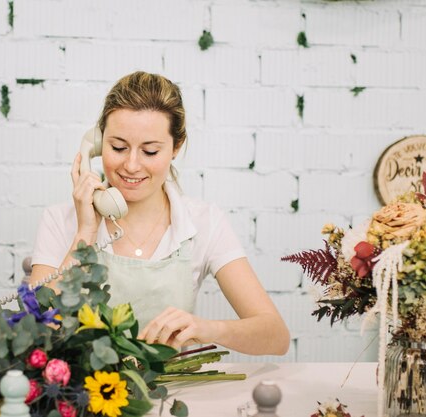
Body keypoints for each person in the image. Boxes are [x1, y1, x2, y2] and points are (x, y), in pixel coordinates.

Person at [30, 71, 289, 355]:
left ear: (176, 147)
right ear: (96, 143)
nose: (131, 165)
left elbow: (275, 336)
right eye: (118, 147)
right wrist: (85, 233)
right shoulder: (60, 220)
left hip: (179, 395)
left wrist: (204, 329)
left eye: (150, 152)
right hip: (87, 397)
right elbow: (31, 334)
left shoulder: (204, 221)